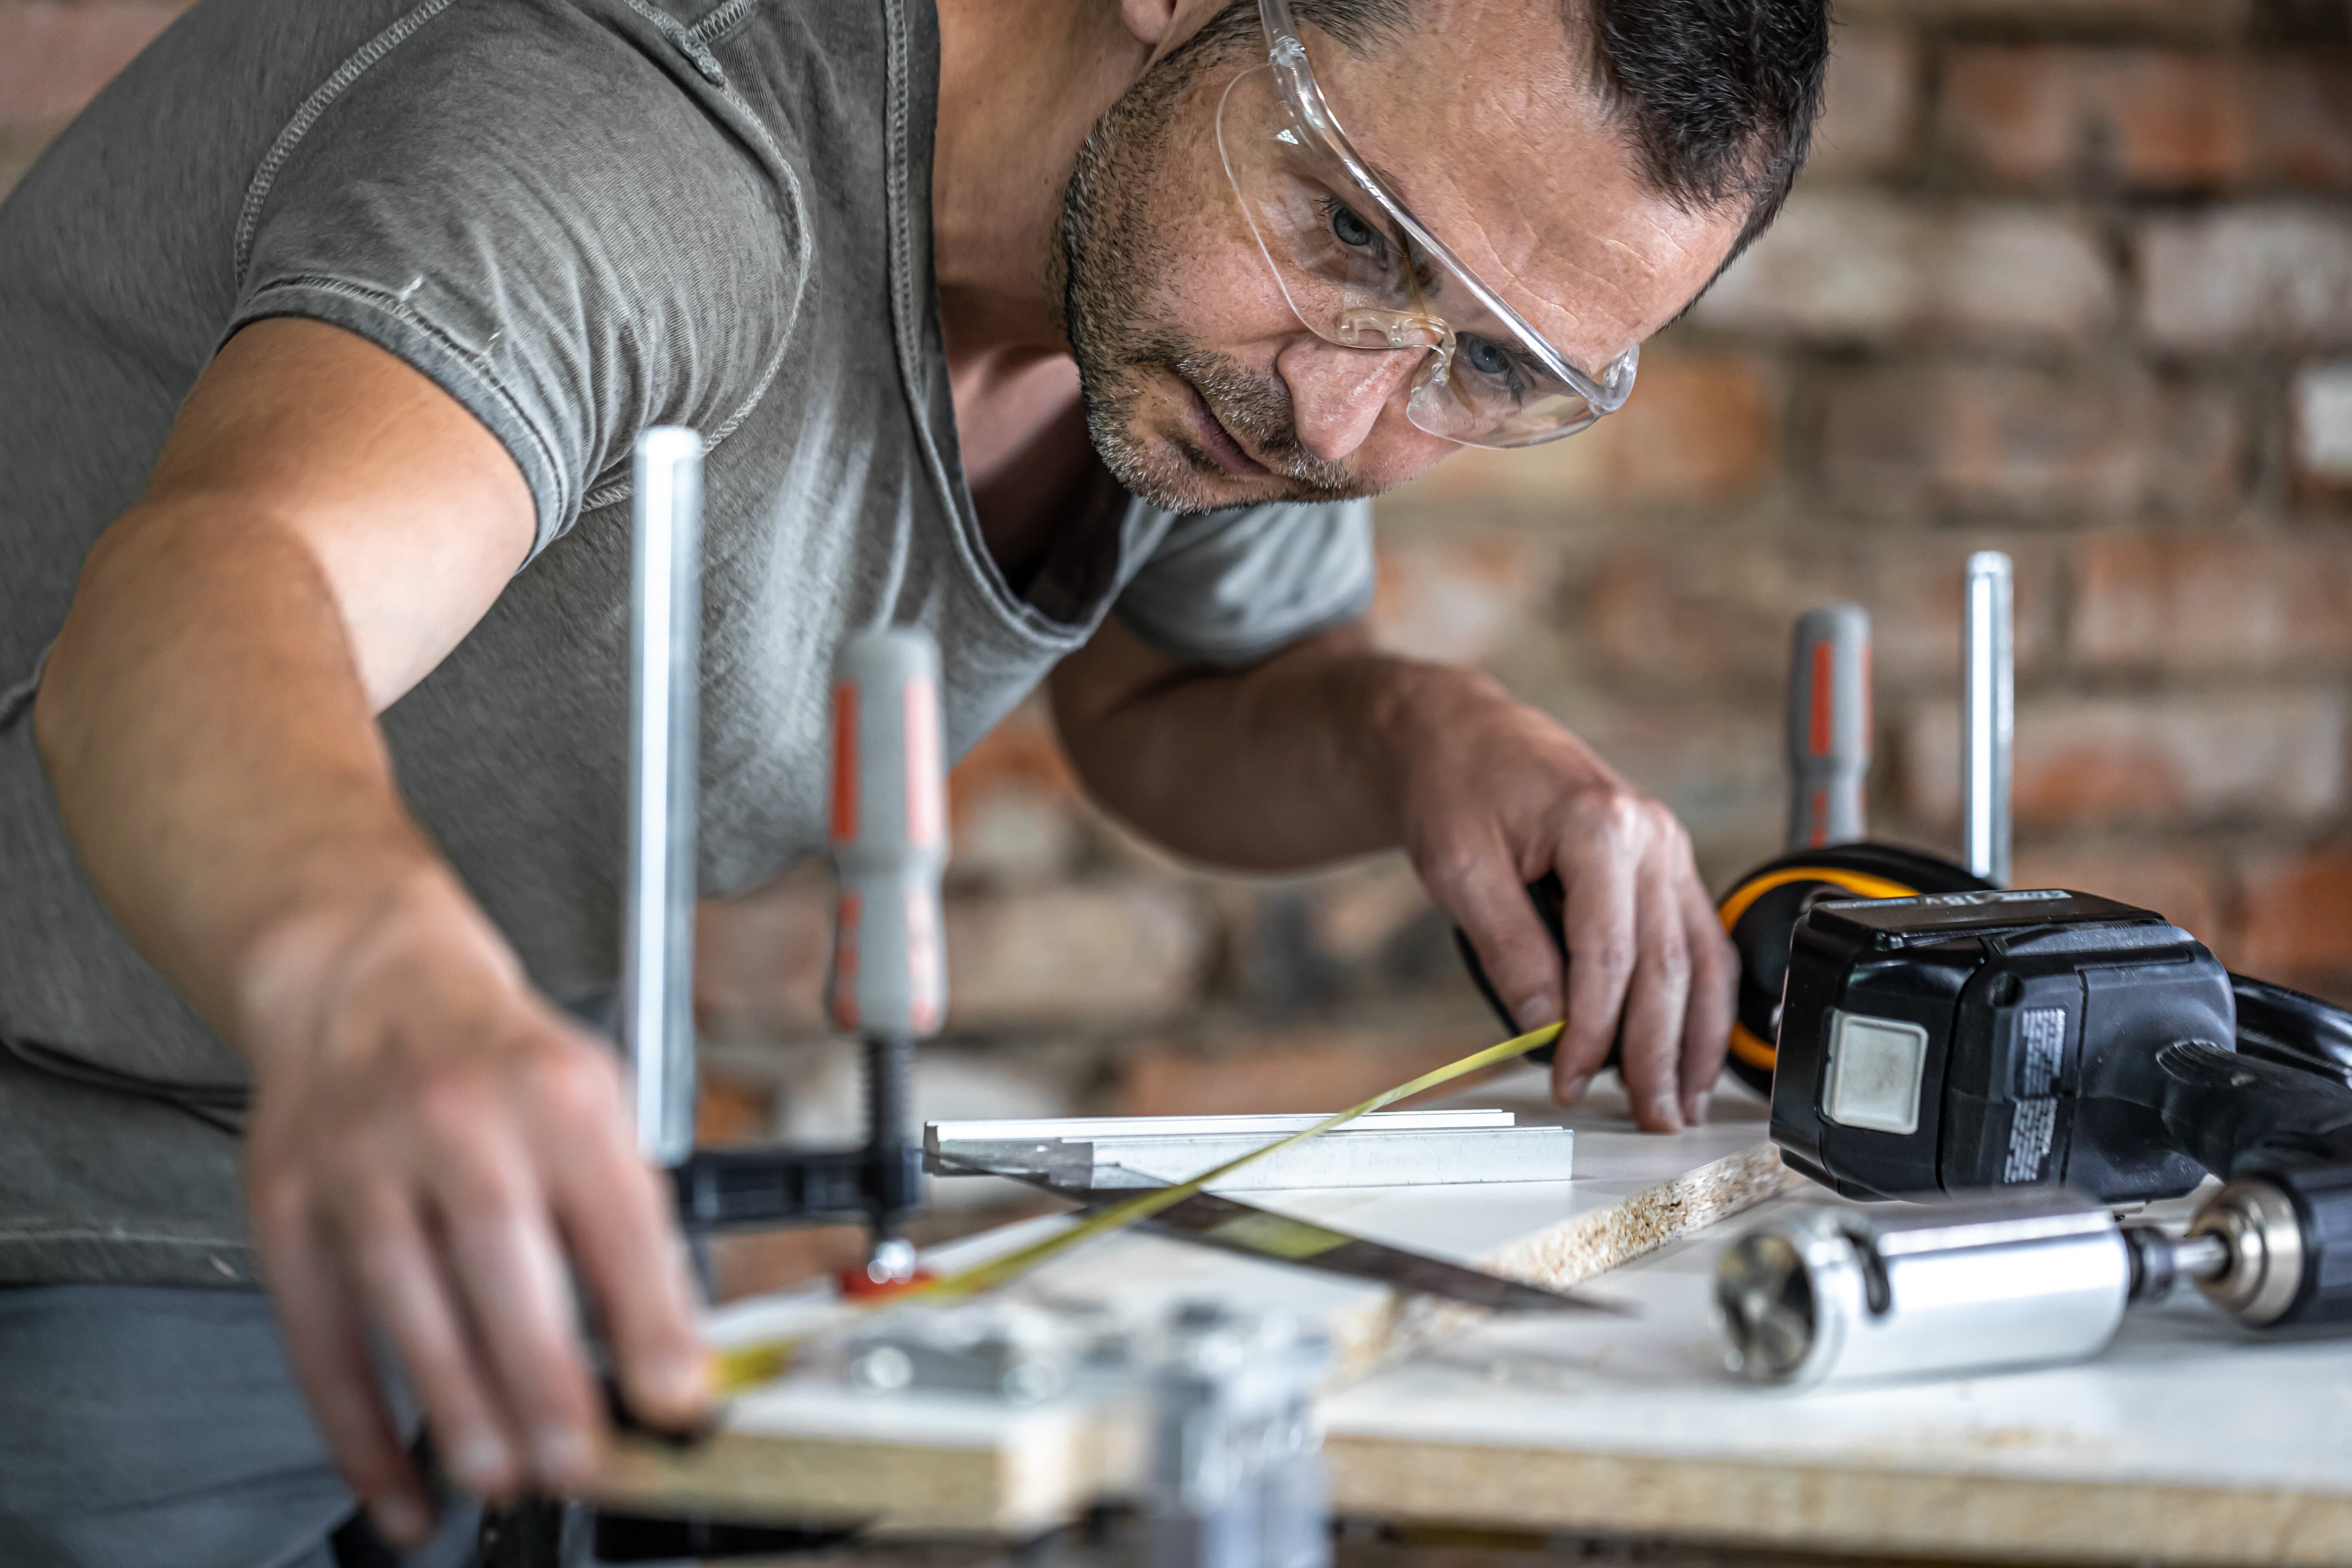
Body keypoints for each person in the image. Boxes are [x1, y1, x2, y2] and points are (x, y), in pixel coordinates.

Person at [0, 0, 1826, 1558]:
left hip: (516, 1184)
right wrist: (363, 976)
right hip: (92, 1176)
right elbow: (221, 585)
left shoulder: (1191, 295)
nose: (1344, 427)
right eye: (1353, 240)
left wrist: (1414, 730)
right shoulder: (639, 142)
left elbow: (1180, 707)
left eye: (1492, 367)